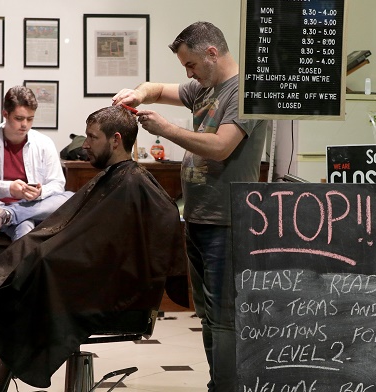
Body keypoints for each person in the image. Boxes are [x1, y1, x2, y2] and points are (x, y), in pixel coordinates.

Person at [0, 105, 188, 392]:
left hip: (100, 298)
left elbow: (148, 228)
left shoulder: (132, 183)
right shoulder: (119, 178)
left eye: (92, 138)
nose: (85, 145)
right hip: (82, 285)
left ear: (116, 140)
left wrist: (40, 261)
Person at [112, 21, 270, 391]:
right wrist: (136, 95)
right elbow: (155, 88)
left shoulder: (246, 92)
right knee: (208, 315)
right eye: (186, 68)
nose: (188, 74)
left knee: (225, 318)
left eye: (192, 65)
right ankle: (219, 383)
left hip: (227, 221)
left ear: (212, 53)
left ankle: (226, 387)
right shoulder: (205, 87)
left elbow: (221, 146)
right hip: (198, 217)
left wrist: (165, 129)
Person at [0, 85, 73, 241]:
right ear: (5, 114)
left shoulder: (44, 143)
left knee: (69, 198)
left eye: (30, 119)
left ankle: (9, 214)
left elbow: (57, 184)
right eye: (19, 118)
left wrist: (40, 192)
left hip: (34, 207)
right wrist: (8, 189)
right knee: (25, 226)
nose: (25, 125)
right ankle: (7, 214)